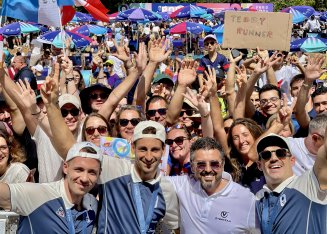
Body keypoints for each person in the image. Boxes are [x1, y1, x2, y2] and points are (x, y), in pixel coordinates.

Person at [0, 141, 102, 233]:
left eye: (92, 172)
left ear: (99, 174)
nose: (84, 178)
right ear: (65, 167)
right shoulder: (39, 194)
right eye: (79, 169)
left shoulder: (93, 205)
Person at [97, 121, 179, 233]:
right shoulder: (113, 170)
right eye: (143, 149)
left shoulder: (166, 188)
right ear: (132, 147)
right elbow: (72, 151)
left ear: (163, 150)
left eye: (154, 149)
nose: (149, 157)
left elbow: (174, 227)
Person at [167, 137, 258, 233]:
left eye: (214, 164)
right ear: (193, 167)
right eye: (201, 164)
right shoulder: (184, 185)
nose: (208, 169)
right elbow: (154, 179)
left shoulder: (246, 199)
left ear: (223, 165)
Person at [255, 133, 327, 233]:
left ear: (292, 160)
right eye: (266, 155)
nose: (274, 158)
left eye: (281, 153)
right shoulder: (257, 198)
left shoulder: (310, 183)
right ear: (259, 165)